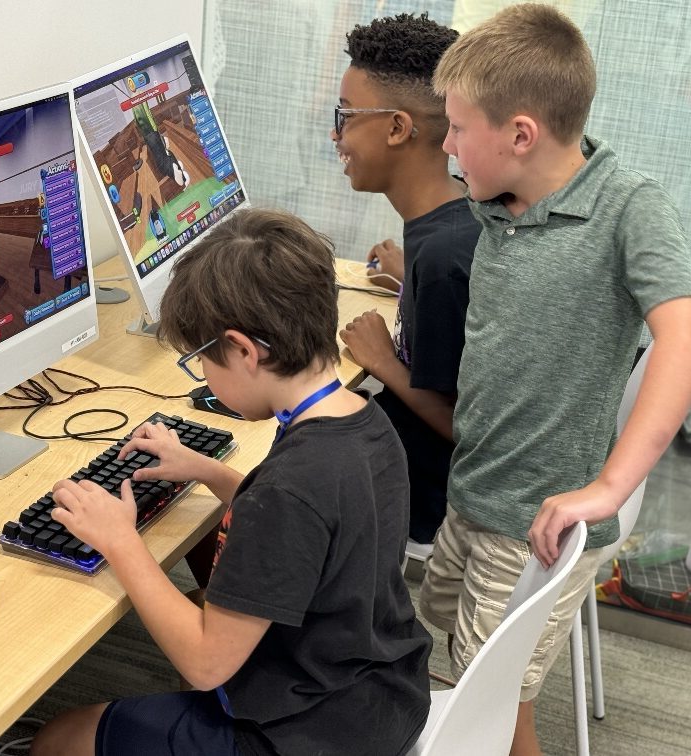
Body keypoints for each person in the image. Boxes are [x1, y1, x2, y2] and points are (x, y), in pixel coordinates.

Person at [417, 5, 691, 755]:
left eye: (457, 129)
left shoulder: (629, 208)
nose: (445, 145)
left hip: (532, 530)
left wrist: (609, 487)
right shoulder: (501, 202)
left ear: (521, 135)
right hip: (473, 494)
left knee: (487, 708)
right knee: (437, 658)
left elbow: (687, 342)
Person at [30, 208, 432, 756]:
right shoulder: (366, 420)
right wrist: (206, 469)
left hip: (307, 735)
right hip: (380, 697)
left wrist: (120, 540)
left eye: (201, 360)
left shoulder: (288, 491)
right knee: (199, 602)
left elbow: (205, 663)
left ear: (244, 350)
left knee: (59, 737)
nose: (203, 377)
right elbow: (311, 528)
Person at [334, 14, 480, 559]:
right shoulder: (457, 211)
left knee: (269, 449)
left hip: (423, 494)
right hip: (402, 451)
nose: (335, 135)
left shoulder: (443, 258)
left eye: (345, 116)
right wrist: (407, 283)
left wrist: (382, 362)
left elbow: (467, 430)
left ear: (398, 128)